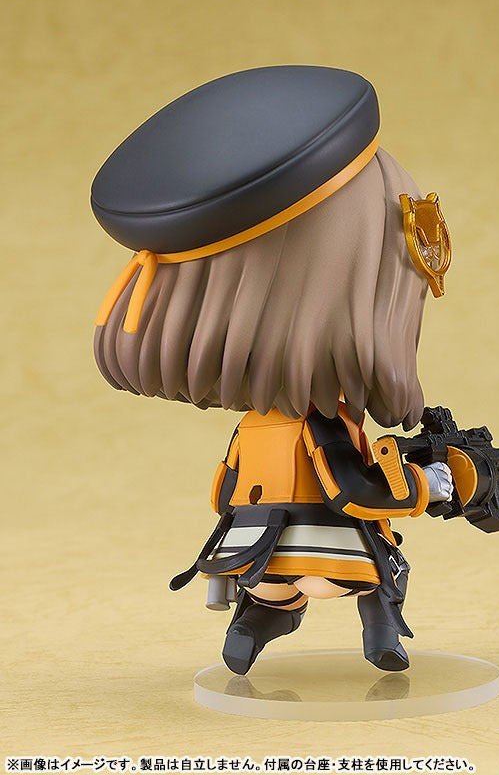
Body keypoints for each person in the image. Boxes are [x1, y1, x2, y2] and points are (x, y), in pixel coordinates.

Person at [92, 66, 453, 675]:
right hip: (312, 541)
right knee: (357, 572)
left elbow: (223, 489)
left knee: (276, 582)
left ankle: (263, 616)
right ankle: (377, 619)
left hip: (250, 536)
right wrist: (432, 484)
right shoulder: (322, 422)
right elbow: (355, 490)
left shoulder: (256, 427)